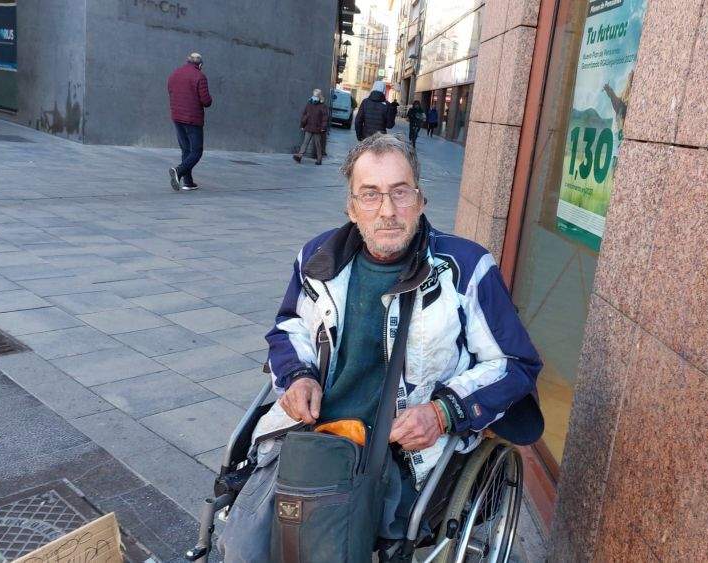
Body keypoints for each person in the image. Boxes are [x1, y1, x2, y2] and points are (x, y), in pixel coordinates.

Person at [217, 133, 542, 560]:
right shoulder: (317, 257)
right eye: (370, 195)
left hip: (400, 455)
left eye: (400, 192)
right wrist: (297, 377)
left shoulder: (464, 268)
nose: (387, 211)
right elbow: (289, 326)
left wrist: (443, 413)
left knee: (328, 549)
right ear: (352, 208)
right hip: (313, 436)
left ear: (420, 200)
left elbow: (514, 363)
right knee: (243, 549)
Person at [167, 52, 212, 191]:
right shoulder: (200, 76)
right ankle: (178, 171)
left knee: (186, 149)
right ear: (200, 64)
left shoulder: (175, 73)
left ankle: (188, 182)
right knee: (196, 151)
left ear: (187, 61)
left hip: (177, 117)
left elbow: (170, 91)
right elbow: (206, 101)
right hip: (192, 119)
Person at [293, 88, 328, 165]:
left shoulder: (323, 106)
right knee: (305, 142)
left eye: (316, 95)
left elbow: (325, 118)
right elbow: (305, 115)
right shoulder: (309, 104)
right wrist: (302, 125)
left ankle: (319, 159)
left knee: (318, 144)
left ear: (319, 96)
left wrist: (323, 128)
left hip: (317, 128)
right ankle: (299, 156)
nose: (314, 97)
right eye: (314, 95)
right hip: (309, 127)